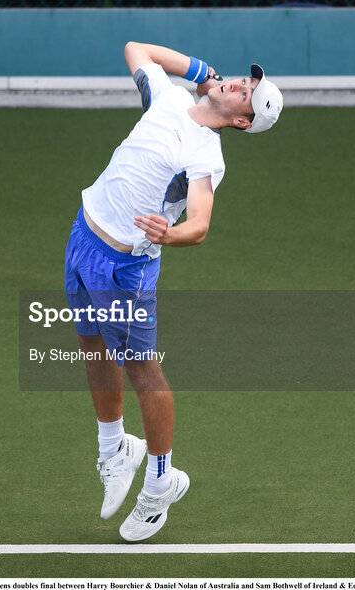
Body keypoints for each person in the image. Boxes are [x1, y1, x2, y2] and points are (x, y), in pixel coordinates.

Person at [64, 41, 283, 542]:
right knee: (91, 343)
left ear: (244, 121)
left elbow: (200, 223)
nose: (239, 85)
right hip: (84, 234)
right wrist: (202, 70)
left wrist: (170, 234)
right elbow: (135, 49)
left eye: (248, 94)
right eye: (244, 80)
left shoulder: (205, 156)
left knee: (143, 369)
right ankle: (115, 448)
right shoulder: (164, 96)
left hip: (127, 266)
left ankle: (160, 484)